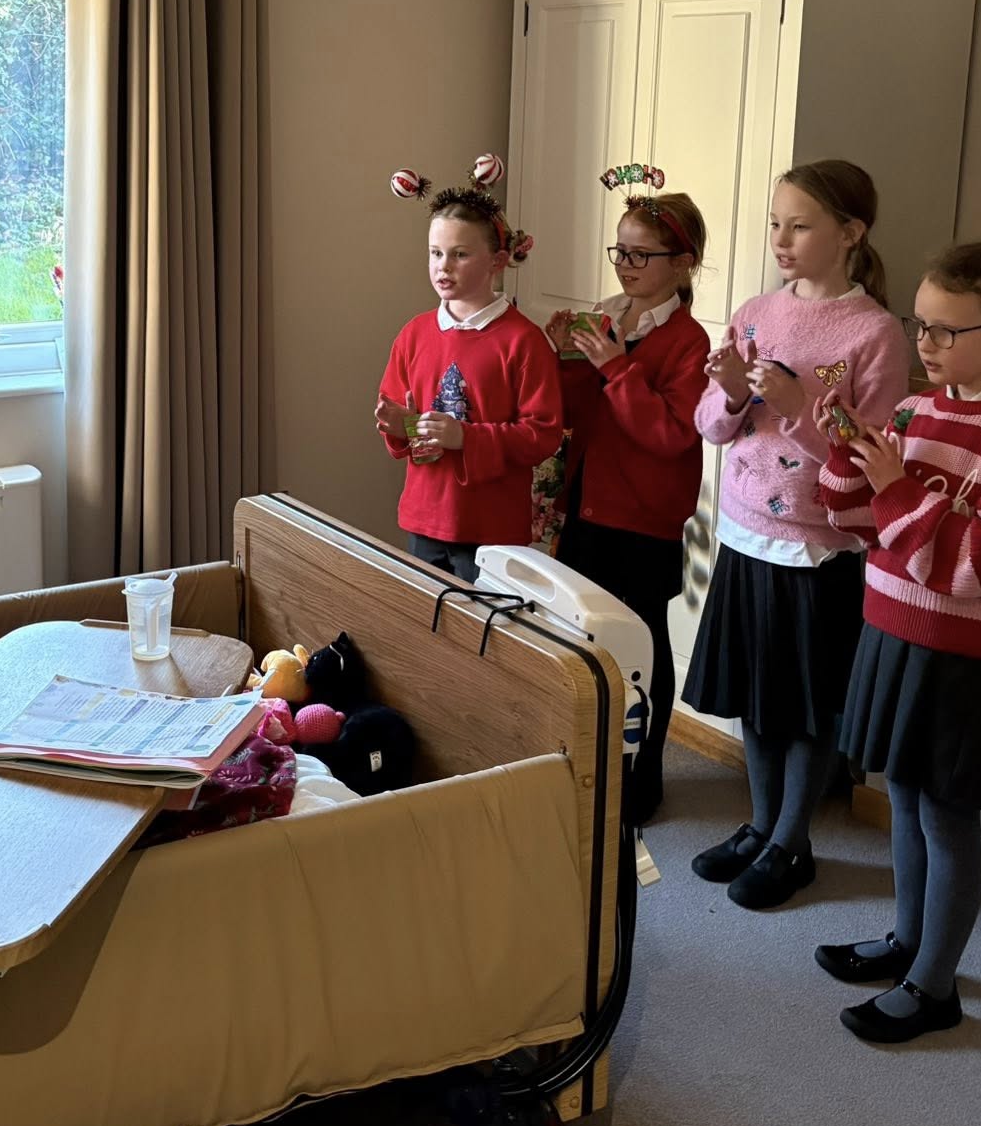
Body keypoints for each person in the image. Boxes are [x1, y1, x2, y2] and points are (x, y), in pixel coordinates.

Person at [816, 239, 981, 1042]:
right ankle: (908, 942)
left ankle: (935, 986)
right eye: (919, 325)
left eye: (945, 330)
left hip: (966, 659)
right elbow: (856, 523)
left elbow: (980, 568)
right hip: (893, 632)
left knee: (946, 816)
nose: (924, 344)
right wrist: (851, 455)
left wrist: (896, 487)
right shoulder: (914, 411)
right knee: (901, 796)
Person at [681, 160, 911, 910]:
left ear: (850, 233)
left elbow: (871, 453)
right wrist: (733, 394)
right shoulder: (754, 312)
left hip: (819, 548)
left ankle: (791, 841)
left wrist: (796, 405)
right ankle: (759, 824)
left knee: (808, 708)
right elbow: (712, 425)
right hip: (746, 534)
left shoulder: (875, 333)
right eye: (775, 223)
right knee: (758, 695)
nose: (780, 239)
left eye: (800, 225)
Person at [544, 174, 710, 825]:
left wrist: (615, 367)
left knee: (641, 649)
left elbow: (670, 434)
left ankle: (642, 783)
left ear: (683, 262)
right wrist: (565, 358)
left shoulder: (689, 341)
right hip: (589, 503)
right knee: (583, 639)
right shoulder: (608, 315)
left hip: (643, 519)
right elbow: (579, 414)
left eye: (642, 254)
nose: (626, 264)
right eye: (620, 250)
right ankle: (587, 768)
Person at [376, 183, 562, 584]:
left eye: (460, 254)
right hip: (424, 521)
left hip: (492, 530)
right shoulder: (413, 334)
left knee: (484, 624)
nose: (443, 266)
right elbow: (412, 429)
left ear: (498, 261)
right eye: (435, 253)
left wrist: (466, 437)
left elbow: (543, 434)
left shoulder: (524, 342)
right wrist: (403, 426)